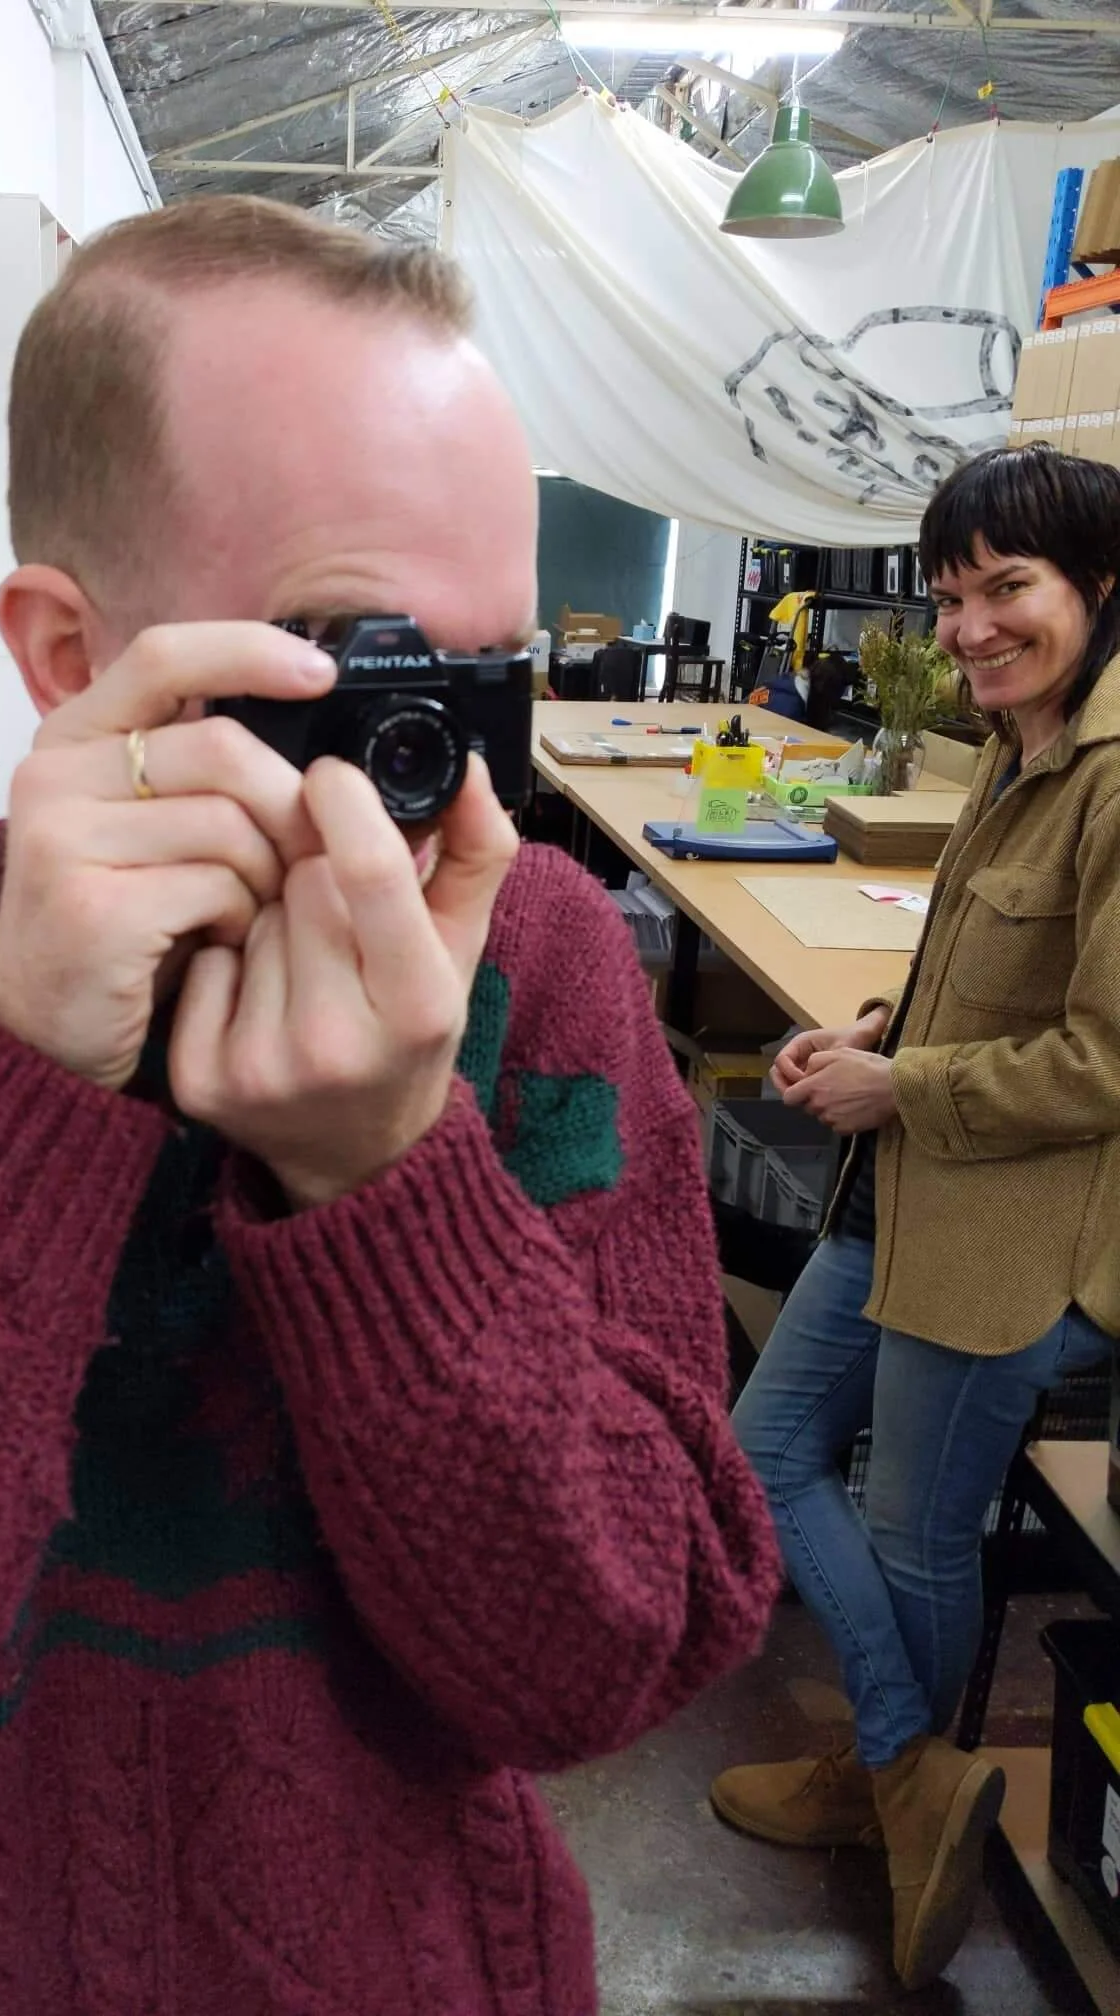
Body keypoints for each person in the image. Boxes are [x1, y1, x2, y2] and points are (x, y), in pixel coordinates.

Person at [0, 198, 778, 2016]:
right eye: (361, 661)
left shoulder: (537, 959)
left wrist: (389, 1179)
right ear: (74, 660)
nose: (434, 790)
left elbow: (608, 1667)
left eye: (484, 687)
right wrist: (7, 1100)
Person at [712, 442, 1120, 1990]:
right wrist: (884, 1035)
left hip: (1015, 1236)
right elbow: (991, 971)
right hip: (911, 1190)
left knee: (914, 1533)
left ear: (1095, 587)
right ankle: (905, 1771)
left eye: (1005, 588)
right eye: (951, 596)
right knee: (762, 1451)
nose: (966, 626)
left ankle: (884, 1781)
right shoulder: (1027, 743)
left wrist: (909, 1090)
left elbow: (1109, 1058)